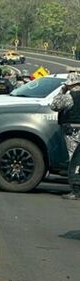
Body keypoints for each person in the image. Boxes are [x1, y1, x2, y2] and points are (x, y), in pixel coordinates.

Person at [50, 72, 80, 200]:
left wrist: (62, 91)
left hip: (72, 132)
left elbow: (54, 105)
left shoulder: (69, 97)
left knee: (74, 160)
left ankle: (76, 190)